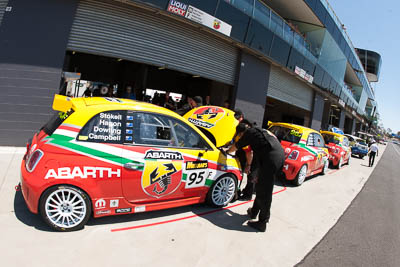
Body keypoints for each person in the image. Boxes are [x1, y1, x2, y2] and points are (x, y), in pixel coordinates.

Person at [227, 124, 285, 232]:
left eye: (239, 135)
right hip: (277, 155)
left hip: (271, 159)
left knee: (265, 191)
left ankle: (262, 222)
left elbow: (236, 146)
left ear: (241, 133)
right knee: (260, 187)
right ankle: (254, 212)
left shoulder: (248, 134)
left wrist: (226, 152)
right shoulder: (259, 131)